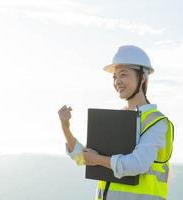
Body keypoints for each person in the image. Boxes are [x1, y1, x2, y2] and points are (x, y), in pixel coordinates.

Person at [58, 45, 174, 200]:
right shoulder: (116, 119)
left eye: (123, 75)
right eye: (114, 77)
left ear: (143, 78)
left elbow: (137, 164)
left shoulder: (157, 122)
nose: (117, 81)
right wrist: (65, 127)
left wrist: (98, 159)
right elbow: (85, 157)